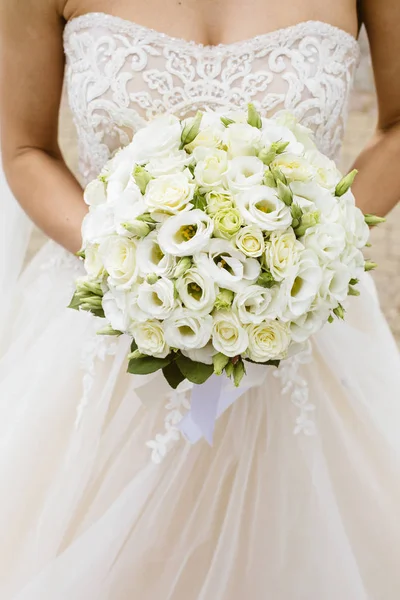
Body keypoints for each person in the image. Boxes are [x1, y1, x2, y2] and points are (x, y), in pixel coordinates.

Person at [1, 0, 400, 597]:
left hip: (298, 330)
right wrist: (132, 259)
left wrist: (316, 247)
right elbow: (24, 149)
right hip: (104, 334)